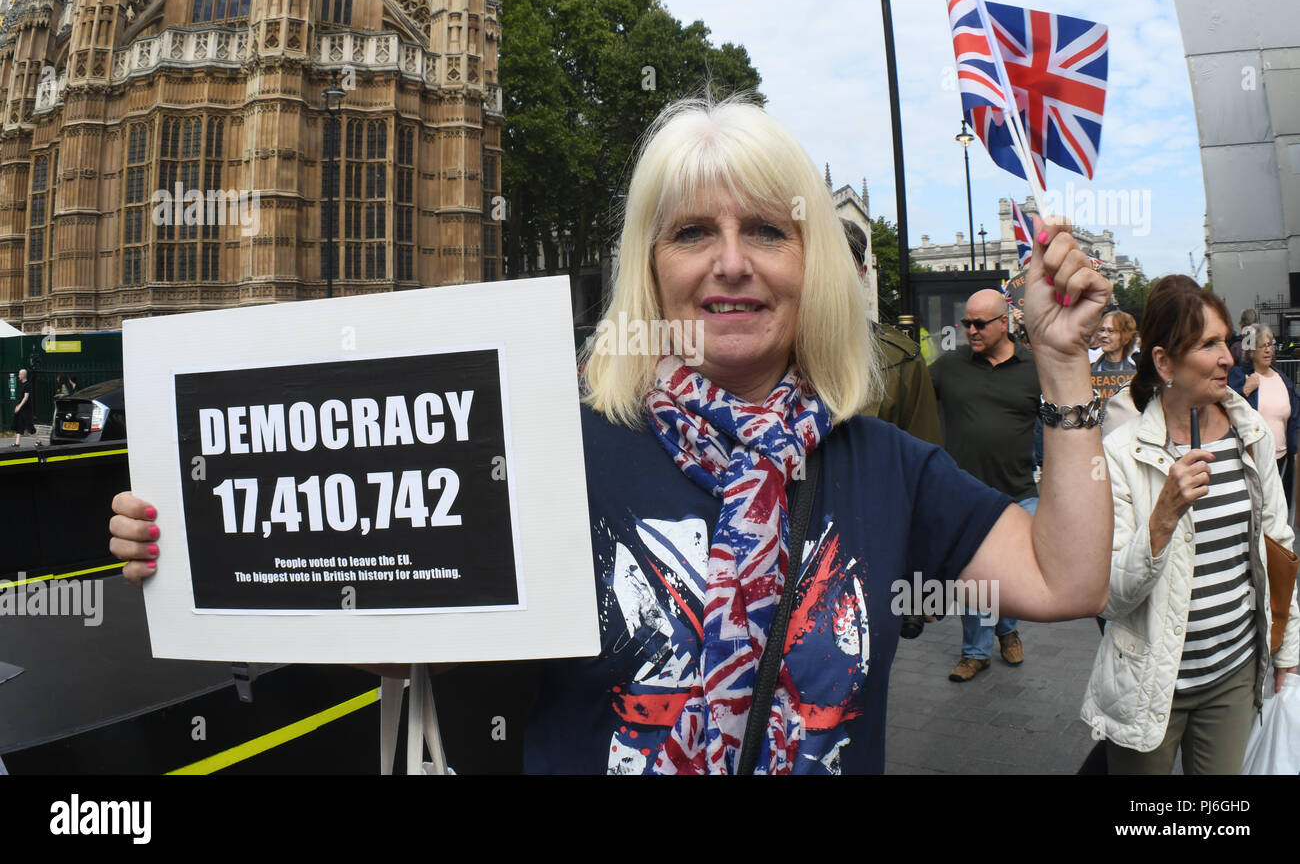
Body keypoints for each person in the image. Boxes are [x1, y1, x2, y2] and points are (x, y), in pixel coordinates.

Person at [110, 95, 1114, 774]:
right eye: (691, 233)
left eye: (766, 230)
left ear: (813, 268)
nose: (730, 263)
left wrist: (1065, 367)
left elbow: (1065, 579)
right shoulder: (548, 446)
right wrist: (191, 541)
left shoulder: (883, 464)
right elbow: (409, 641)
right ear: (650, 266)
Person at [1081, 276, 1299, 774]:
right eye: (1208, 344)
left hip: (1234, 676)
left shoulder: (1253, 437)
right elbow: (1109, 596)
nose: (1228, 356)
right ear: (1164, 362)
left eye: (1227, 340)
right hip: (1149, 679)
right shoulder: (1121, 453)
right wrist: (1162, 518)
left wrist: (1287, 649)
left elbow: (1278, 545)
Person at [929, 289, 1043, 681]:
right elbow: (913, 403)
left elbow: (1060, 425)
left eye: (980, 324)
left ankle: (1007, 628)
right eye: (967, 323)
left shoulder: (1035, 368)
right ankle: (975, 652)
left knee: (1008, 572)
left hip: (1019, 491)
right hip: (966, 495)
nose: (971, 331)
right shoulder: (949, 366)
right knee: (976, 572)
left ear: (1004, 322)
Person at [840, 219, 941, 445]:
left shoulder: (901, 362)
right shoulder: (773, 352)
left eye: (841, 266)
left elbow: (925, 469)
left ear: (861, 273)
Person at [1227, 323, 1299, 511]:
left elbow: (1294, 418)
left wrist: (1296, 449)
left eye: (1270, 344)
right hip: (1253, 462)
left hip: (1282, 461)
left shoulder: (1283, 379)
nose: (1268, 350)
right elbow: (1226, 409)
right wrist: (1245, 390)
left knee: (1279, 513)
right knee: (1256, 513)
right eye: (1262, 345)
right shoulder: (1239, 376)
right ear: (1251, 351)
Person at [10, 368, 37, 447]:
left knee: (30, 425)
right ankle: (17, 443)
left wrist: (19, 407)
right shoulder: (23, 385)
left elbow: (26, 398)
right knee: (19, 425)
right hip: (22, 409)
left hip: (26, 409)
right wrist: (18, 406)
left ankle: (38, 441)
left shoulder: (27, 385)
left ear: (23, 375)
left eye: (19, 374)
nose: (18, 376)